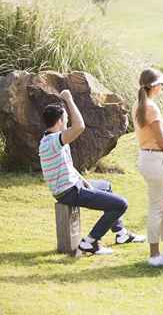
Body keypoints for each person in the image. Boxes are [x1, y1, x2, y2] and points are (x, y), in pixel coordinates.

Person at [39, 90, 145, 255]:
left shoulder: (49, 139)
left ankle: (121, 234)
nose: (67, 119)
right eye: (65, 117)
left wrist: (82, 180)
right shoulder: (54, 140)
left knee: (106, 186)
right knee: (120, 204)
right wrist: (69, 99)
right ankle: (90, 242)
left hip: (72, 186)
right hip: (70, 192)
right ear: (60, 120)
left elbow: (67, 166)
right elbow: (80, 126)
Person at [133, 68, 163, 267]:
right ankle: (154, 256)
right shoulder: (150, 107)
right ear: (153, 86)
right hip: (153, 160)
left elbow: (153, 130)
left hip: (150, 159)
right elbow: (161, 140)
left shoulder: (140, 104)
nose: (162, 87)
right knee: (156, 208)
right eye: (160, 84)